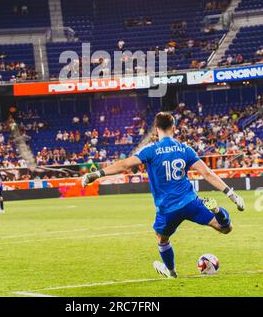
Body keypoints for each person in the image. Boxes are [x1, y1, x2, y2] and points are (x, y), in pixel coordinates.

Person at [82, 111, 245, 279]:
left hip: (168, 210)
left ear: (156, 129)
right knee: (225, 228)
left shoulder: (151, 150)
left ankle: (171, 272)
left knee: (162, 238)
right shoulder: (185, 149)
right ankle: (217, 211)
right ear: (174, 128)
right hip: (191, 202)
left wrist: (97, 174)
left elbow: (124, 165)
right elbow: (207, 173)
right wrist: (232, 195)